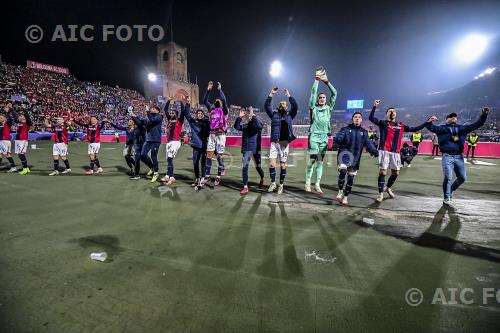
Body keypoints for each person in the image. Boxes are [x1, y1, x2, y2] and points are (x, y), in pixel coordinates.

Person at [425, 108, 490, 207]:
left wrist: (484, 115)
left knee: (462, 178)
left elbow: (477, 124)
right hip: (447, 156)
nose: (453, 117)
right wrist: (429, 120)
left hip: (459, 156)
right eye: (451, 116)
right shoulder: (442, 128)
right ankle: (447, 197)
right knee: (448, 177)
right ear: (446, 120)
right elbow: (431, 127)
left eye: (454, 116)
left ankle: (450, 189)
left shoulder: (462, 128)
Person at [369, 99, 429, 202]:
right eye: (389, 111)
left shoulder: (401, 125)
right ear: (386, 114)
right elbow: (371, 118)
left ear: (396, 114)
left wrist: (427, 122)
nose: (392, 112)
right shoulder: (383, 123)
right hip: (384, 151)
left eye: (394, 111)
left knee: (396, 173)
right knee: (383, 172)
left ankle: (388, 188)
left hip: (396, 152)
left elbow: (414, 128)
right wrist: (375, 106)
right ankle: (380, 194)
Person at [305, 66, 337, 194]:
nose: (322, 98)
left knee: (320, 162)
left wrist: (327, 81)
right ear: (318, 100)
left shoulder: (329, 108)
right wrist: (317, 79)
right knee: (312, 160)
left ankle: (317, 184)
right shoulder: (313, 107)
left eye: (324, 97)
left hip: (324, 137)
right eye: (320, 97)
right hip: (314, 136)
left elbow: (335, 93)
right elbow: (313, 92)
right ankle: (307, 183)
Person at [335, 112, 378, 205]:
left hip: (355, 158)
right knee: (343, 171)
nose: (357, 118)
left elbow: (369, 143)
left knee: (351, 178)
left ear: (361, 120)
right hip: (344, 155)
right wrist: (337, 139)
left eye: (359, 117)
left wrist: (374, 150)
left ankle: (345, 197)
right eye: (355, 117)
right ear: (353, 119)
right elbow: (340, 136)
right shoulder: (345, 129)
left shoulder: (364, 132)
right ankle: (340, 191)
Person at [264, 87, 298, 194]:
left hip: (284, 143)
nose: (282, 105)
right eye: (281, 104)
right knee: (272, 164)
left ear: (287, 106)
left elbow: (295, 106)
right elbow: (266, 106)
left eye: (284, 104)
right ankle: (273, 183)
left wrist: (289, 95)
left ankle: (281, 185)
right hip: (274, 142)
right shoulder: (274, 115)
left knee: (283, 164)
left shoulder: (290, 115)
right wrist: (271, 94)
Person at [201, 81, 229, 186]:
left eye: (219, 100)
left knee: (219, 156)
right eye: (216, 100)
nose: (218, 100)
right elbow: (204, 100)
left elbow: (224, 100)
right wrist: (208, 90)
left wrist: (219, 90)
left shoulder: (224, 111)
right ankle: (207, 176)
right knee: (209, 155)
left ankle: (218, 177)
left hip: (221, 135)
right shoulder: (211, 110)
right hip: (212, 134)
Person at [234, 106, 265, 195]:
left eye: (251, 117)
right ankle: (245, 187)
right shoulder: (245, 126)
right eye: (249, 117)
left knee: (258, 167)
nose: (250, 118)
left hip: (255, 150)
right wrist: (240, 117)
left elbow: (259, 125)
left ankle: (262, 178)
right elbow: (236, 126)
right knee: (245, 168)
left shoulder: (257, 127)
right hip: (246, 150)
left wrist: (252, 114)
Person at [183, 96, 210, 190]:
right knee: (195, 163)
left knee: (203, 163)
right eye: (198, 113)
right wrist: (187, 103)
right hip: (195, 146)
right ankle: (198, 179)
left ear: (203, 114)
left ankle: (202, 178)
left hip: (204, 146)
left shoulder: (207, 123)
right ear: (196, 114)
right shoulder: (193, 121)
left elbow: (212, 124)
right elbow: (186, 114)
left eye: (201, 113)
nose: (199, 114)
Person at [133, 105, 163, 183]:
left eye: (154, 108)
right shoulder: (148, 118)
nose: (152, 109)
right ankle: (153, 168)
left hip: (156, 140)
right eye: (151, 108)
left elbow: (152, 120)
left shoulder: (159, 117)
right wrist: (133, 116)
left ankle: (156, 172)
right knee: (142, 155)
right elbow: (140, 123)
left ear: (158, 111)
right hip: (148, 140)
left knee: (153, 157)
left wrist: (147, 112)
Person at [161, 97, 186, 185]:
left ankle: (172, 177)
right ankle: (167, 176)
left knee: (170, 158)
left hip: (175, 142)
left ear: (176, 114)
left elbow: (183, 111)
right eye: (170, 113)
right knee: (168, 159)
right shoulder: (169, 120)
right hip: (169, 142)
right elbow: (165, 109)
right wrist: (168, 101)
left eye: (173, 113)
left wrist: (182, 102)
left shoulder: (179, 120)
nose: (171, 114)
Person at [12, 104, 33, 175]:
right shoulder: (18, 122)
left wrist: (24, 109)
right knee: (19, 154)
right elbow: (15, 117)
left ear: (24, 117)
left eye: (21, 116)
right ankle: (26, 168)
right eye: (20, 116)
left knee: (21, 154)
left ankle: (25, 168)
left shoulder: (27, 123)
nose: (20, 117)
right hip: (17, 140)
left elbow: (27, 116)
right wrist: (12, 109)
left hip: (23, 140)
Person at [0, 103, 18, 172]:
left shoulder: (8, 123)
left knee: (7, 154)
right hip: (1, 141)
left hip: (5, 141)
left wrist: (8, 111)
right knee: (0, 154)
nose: (0, 118)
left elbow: (10, 119)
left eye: (1, 117)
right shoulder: (1, 125)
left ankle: (13, 167)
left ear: (4, 118)